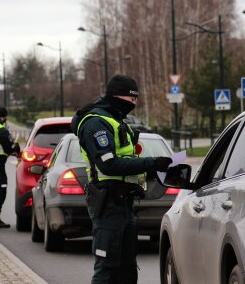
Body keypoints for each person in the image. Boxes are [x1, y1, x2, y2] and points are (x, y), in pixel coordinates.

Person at [72, 74, 172, 284]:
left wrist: (154, 170)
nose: (134, 104)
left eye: (136, 99)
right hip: (107, 202)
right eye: (131, 99)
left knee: (127, 267)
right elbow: (108, 164)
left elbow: (126, 162)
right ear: (116, 96)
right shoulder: (96, 123)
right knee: (107, 268)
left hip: (123, 202)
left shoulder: (116, 120)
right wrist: (151, 163)